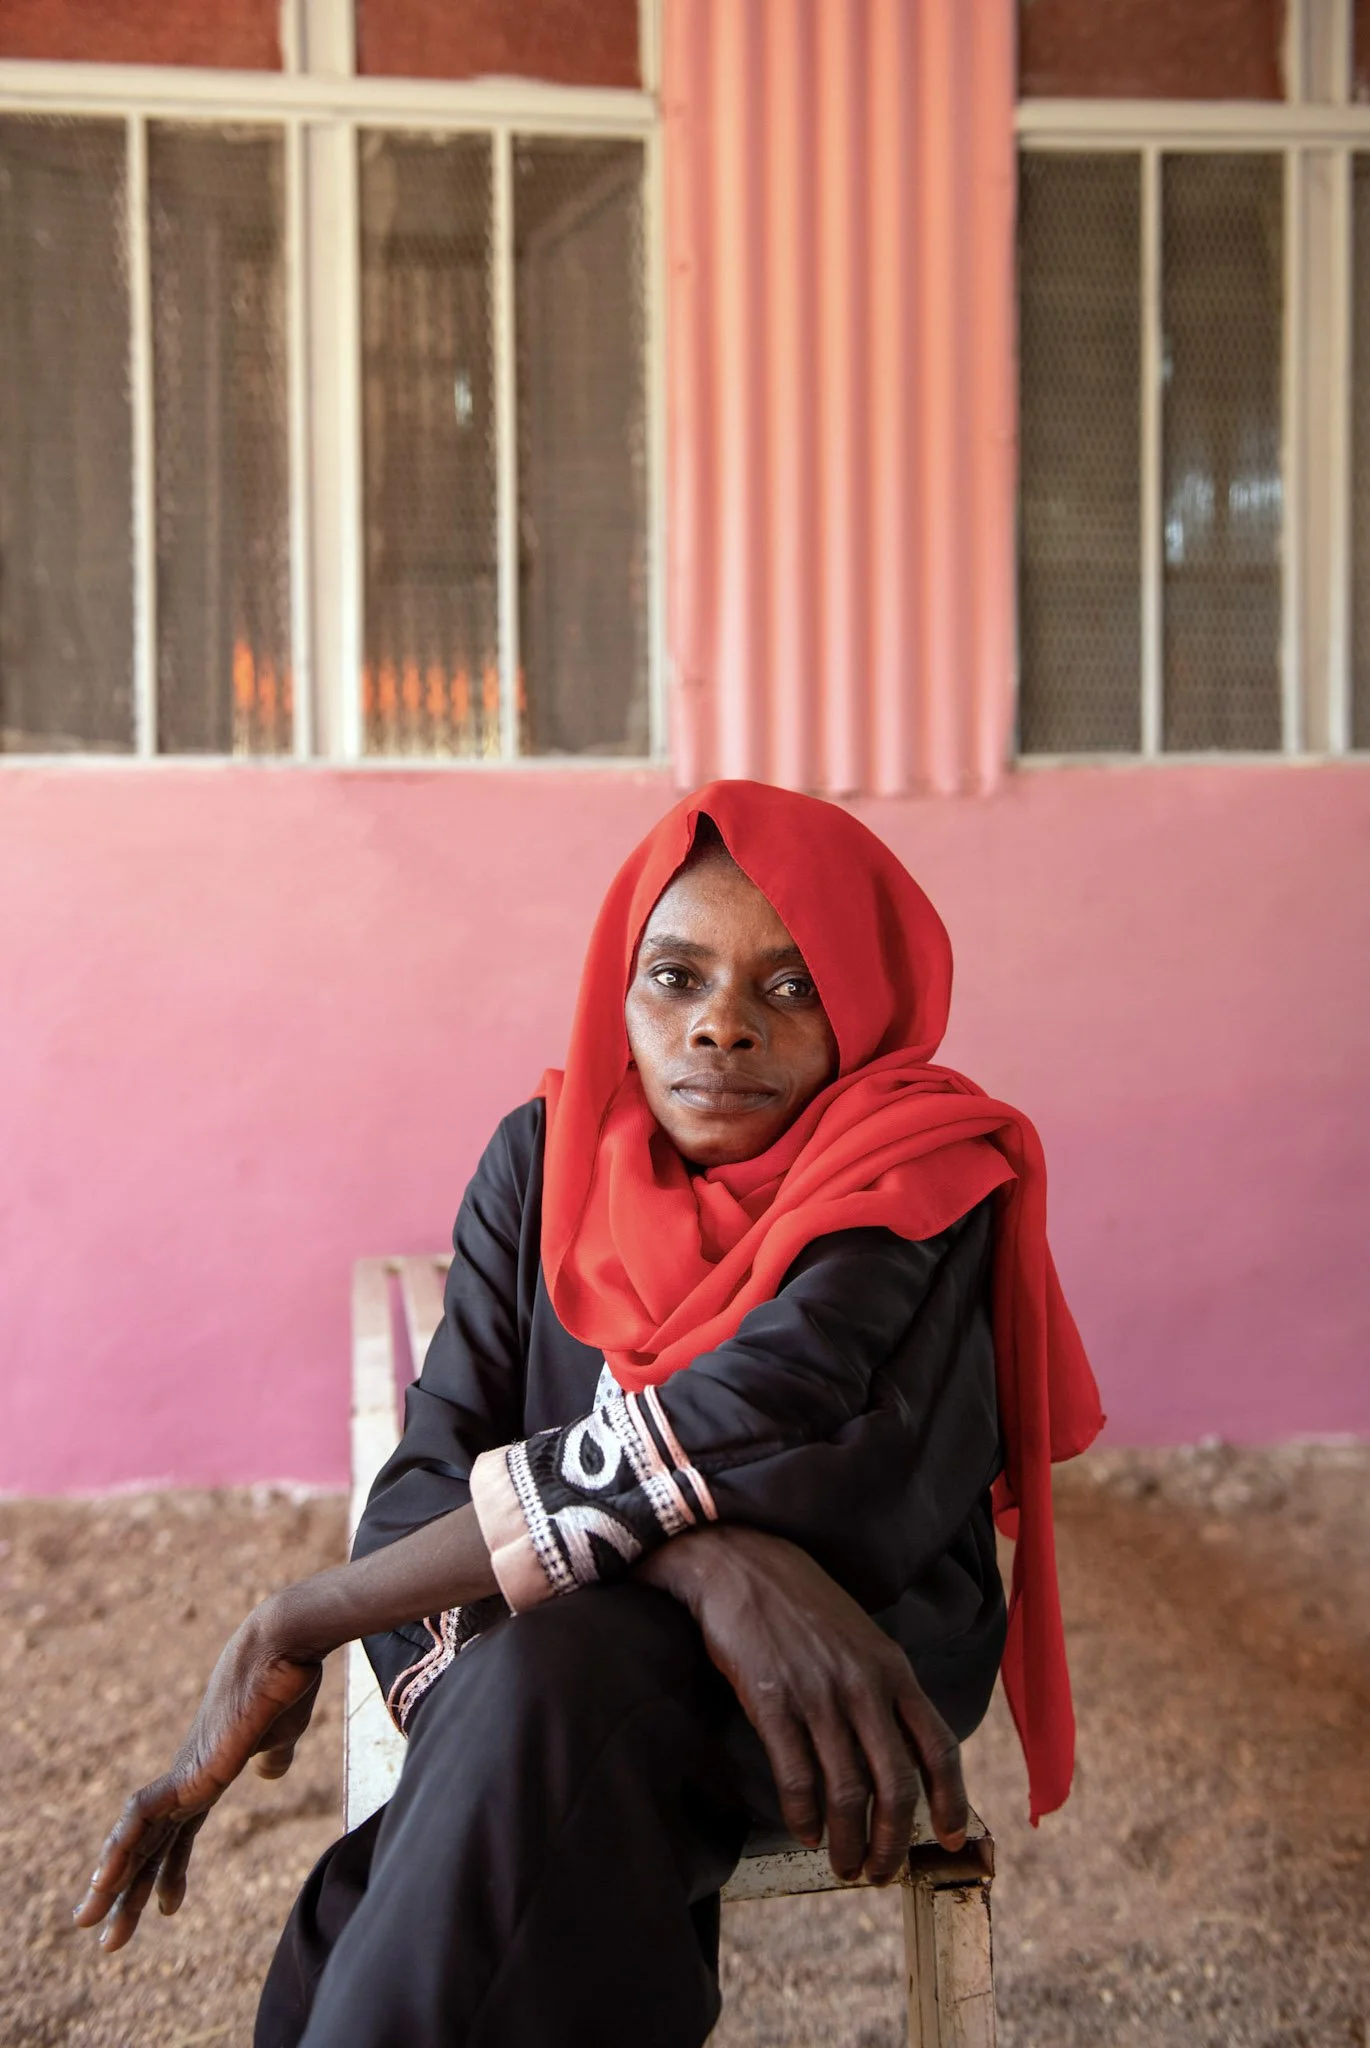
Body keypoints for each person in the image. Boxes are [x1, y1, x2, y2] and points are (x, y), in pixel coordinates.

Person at [75, 780, 1103, 2047]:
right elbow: (425, 1473)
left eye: (792, 986)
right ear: (622, 990)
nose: (721, 1026)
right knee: (522, 1742)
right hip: (555, 1661)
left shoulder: (921, 1174)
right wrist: (698, 1552)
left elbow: (786, 1435)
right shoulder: (546, 1154)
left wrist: (304, 1615)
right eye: (675, 977)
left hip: (833, 1649)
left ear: (871, 1000)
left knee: (536, 1707)